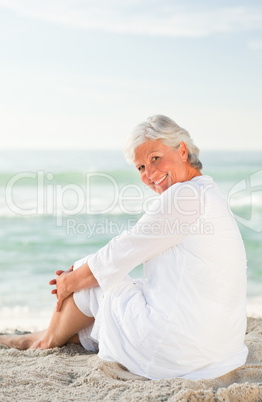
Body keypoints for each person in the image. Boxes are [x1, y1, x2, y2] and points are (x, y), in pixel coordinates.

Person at [0, 115, 248, 380]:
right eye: (141, 167)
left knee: (95, 282)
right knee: (117, 286)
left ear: (182, 151)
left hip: (177, 352)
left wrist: (69, 282)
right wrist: (81, 273)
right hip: (221, 349)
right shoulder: (208, 191)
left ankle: (44, 341)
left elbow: (118, 255)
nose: (150, 174)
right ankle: (44, 335)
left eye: (155, 158)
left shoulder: (182, 197)